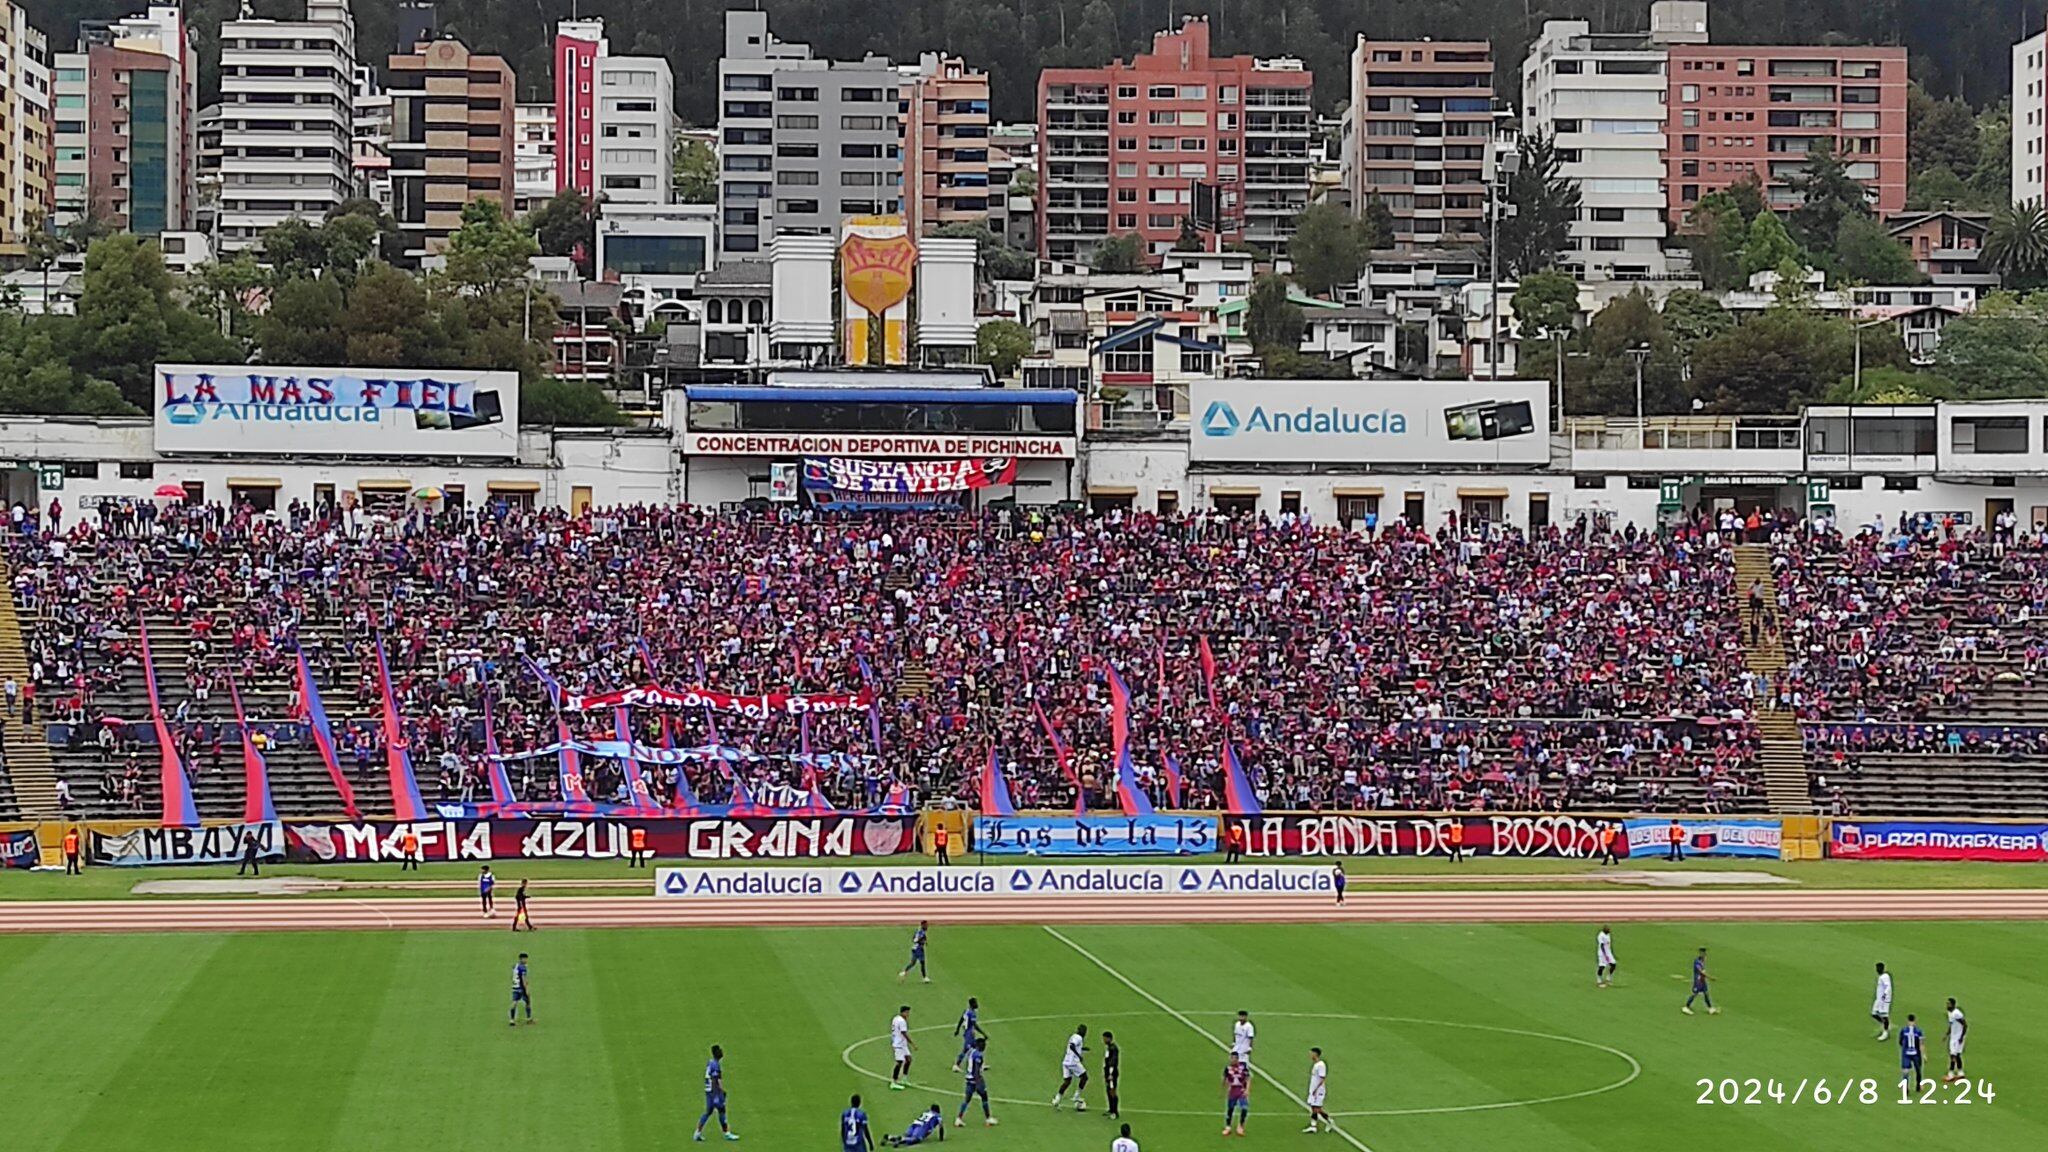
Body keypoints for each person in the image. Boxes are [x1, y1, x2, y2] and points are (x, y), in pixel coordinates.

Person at [694, 1043, 738, 1142]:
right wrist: (721, 1092)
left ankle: (697, 1133)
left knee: (708, 1112)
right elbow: (716, 1080)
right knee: (721, 1110)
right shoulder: (715, 1065)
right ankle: (727, 1133)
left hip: (709, 1091)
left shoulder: (710, 1062)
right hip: (714, 1093)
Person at [955, 1034, 995, 1128]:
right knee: (984, 1097)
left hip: (968, 1079)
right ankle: (988, 1118)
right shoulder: (978, 1055)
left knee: (967, 1099)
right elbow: (976, 1070)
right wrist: (978, 1082)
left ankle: (958, 1119)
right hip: (975, 1079)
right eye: (983, 1045)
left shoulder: (972, 1052)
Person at [1052, 1024, 1089, 1111]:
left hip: (1066, 1062)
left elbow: (1073, 1046)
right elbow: (1072, 1046)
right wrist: (1078, 1056)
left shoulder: (1073, 1036)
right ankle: (1077, 1095)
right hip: (1073, 1062)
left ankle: (1057, 1099)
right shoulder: (1078, 1037)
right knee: (1084, 1077)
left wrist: (1082, 1049)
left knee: (1067, 1081)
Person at [1222, 1051, 1251, 1137]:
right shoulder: (1227, 1068)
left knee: (1244, 1108)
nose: (1232, 1060)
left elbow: (1248, 1078)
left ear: (1237, 1059)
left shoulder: (1243, 1067)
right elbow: (1225, 1079)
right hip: (1233, 1090)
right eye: (1231, 1058)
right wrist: (1225, 1089)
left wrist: (1247, 1090)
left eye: (1234, 1058)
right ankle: (1228, 1127)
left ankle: (1241, 1126)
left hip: (1241, 1090)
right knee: (1230, 1109)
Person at [1682, 947, 1718, 1015]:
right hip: (1698, 981)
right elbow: (1701, 972)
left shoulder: (1702, 961)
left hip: (1702, 980)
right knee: (1694, 993)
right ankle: (1686, 1007)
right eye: (1703, 953)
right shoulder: (1697, 962)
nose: (1704, 955)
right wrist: (1710, 978)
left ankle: (1710, 1008)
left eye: (1704, 953)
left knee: (1706, 993)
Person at [1304, 1047, 1331, 1133]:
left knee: (1317, 1109)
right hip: (1313, 1090)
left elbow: (1322, 1078)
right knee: (1313, 1107)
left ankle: (1329, 1121)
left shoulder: (1321, 1065)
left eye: (1311, 1053)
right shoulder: (1316, 1065)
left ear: (1315, 1054)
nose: (1310, 1055)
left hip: (1318, 1090)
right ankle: (1313, 1126)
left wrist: (1316, 1089)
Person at [952, 997, 982, 1073]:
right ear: (972, 1004)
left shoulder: (966, 1011)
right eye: (975, 1003)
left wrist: (957, 1029)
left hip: (968, 1032)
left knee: (976, 1046)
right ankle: (956, 1065)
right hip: (969, 1033)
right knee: (966, 1049)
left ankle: (978, 1065)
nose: (977, 1004)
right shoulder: (972, 1013)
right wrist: (983, 1033)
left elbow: (961, 1020)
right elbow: (974, 1025)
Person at [890, 1006, 915, 1091]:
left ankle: (904, 1079)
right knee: (899, 1062)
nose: (908, 1014)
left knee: (909, 1060)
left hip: (902, 1044)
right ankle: (893, 1082)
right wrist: (912, 1043)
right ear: (903, 1012)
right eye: (907, 1012)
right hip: (899, 1044)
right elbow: (904, 1033)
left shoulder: (896, 1018)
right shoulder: (901, 1021)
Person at [1899, 1014, 1926, 1090]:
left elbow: (1900, 1042)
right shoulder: (1918, 1031)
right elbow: (1921, 1044)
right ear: (1915, 1021)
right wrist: (1923, 1054)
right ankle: (1915, 1086)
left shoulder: (1904, 1030)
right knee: (1916, 1070)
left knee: (1908, 1070)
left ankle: (1911, 1085)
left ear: (1907, 1021)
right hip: (1915, 1054)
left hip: (1907, 1054)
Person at [1943, 998, 1967, 1082]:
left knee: (1953, 1055)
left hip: (1957, 1038)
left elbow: (1965, 1024)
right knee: (1957, 1055)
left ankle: (1951, 1074)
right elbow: (1951, 1025)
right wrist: (1947, 1034)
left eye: (1949, 1004)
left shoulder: (1957, 1013)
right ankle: (1961, 1073)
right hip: (1954, 1037)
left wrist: (1961, 1037)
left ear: (1953, 1005)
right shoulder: (1950, 1013)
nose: (1947, 1005)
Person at [1101, 1030, 1121, 1119]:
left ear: (1109, 1038)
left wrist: (1110, 1074)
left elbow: (1113, 1062)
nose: (1103, 1040)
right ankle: (1111, 1109)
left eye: (1105, 1038)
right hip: (1108, 1073)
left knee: (1112, 1091)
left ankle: (1115, 1112)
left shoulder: (1113, 1049)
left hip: (1111, 1074)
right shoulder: (1109, 1048)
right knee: (1108, 1090)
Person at [508, 952, 532, 1026]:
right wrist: (527, 989)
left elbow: (513, 976)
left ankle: (512, 1020)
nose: (526, 960)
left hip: (515, 987)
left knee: (514, 1002)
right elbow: (523, 979)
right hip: (521, 988)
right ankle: (529, 1019)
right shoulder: (523, 968)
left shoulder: (515, 966)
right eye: (525, 959)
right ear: (522, 959)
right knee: (528, 1002)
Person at [1871, 962, 1892, 1040]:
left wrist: (1884, 996)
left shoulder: (1885, 977)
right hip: (1878, 999)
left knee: (1884, 1015)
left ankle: (1885, 1033)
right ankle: (1885, 1026)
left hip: (1884, 1000)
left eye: (1879, 968)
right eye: (1877, 968)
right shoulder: (1881, 977)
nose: (1877, 970)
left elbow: (1888, 987)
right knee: (1874, 1013)